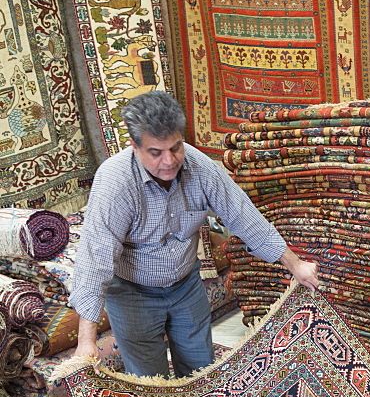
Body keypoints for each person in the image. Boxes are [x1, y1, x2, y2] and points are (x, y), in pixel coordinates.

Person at [70, 91, 319, 378]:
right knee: (148, 381)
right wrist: (86, 341)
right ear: (135, 147)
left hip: (186, 285)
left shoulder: (200, 168)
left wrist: (295, 265)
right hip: (131, 293)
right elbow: (96, 259)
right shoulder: (115, 183)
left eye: (176, 148)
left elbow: (245, 218)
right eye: (156, 152)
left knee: (202, 371)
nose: (169, 160)